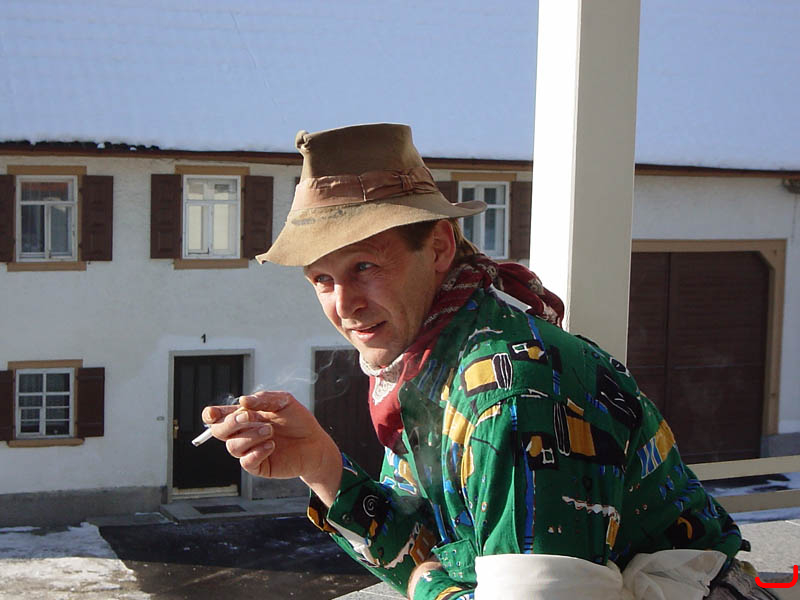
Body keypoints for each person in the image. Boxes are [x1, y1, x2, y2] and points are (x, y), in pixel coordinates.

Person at [203, 124, 776, 600]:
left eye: (365, 267)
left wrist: (428, 585)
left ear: (439, 248)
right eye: (322, 279)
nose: (344, 305)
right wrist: (323, 467)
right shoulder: (430, 361)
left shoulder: (514, 399)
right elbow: (436, 541)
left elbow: (456, 575)